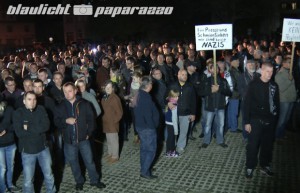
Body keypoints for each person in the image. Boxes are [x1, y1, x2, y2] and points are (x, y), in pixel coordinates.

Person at [54, 82, 106, 191]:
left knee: (90, 161)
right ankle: (79, 181)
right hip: (69, 141)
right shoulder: (60, 106)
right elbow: (56, 121)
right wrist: (65, 121)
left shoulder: (85, 104)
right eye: (65, 92)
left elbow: (92, 121)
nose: (67, 94)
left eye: (70, 91)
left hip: (84, 140)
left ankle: (95, 180)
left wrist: (89, 134)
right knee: (74, 163)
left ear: (75, 91)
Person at [13, 91, 56, 193]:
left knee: (49, 175)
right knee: (28, 180)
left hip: (43, 148)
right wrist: (38, 129)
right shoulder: (18, 113)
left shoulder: (41, 109)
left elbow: (46, 126)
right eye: (29, 99)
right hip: (27, 151)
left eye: (34, 99)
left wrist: (28, 128)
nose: (32, 102)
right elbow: (19, 133)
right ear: (24, 101)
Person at [244, 62, 280, 179]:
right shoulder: (253, 84)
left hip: (269, 121)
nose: (270, 74)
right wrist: (246, 122)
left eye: (271, 72)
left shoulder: (274, 86)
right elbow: (247, 104)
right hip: (255, 120)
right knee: (253, 146)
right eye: (267, 71)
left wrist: (275, 120)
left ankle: (265, 165)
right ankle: (250, 166)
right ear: (261, 71)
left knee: (267, 146)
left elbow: (276, 104)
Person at [199, 63, 232, 148]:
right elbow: (200, 92)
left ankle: (220, 140)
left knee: (221, 125)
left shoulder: (223, 81)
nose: (215, 70)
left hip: (220, 106)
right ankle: (206, 141)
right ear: (209, 70)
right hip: (209, 107)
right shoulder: (206, 80)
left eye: (216, 68)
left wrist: (219, 89)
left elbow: (229, 92)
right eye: (212, 68)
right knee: (207, 125)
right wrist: (211, 90)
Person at [133, 76, 159, 179]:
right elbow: (148, 115)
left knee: (144, 149)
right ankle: (144, 171)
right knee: (151, 150)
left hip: (140, 126)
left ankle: (145, 167)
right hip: (147, 128)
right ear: (148, 85)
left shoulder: (139, 94)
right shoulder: (146, 97)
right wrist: (153, 126)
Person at [168, 69, 196, 153]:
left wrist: (193, 113)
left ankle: (180, 146)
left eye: (186, 75)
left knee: (184, 131)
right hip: (174, 112)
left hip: (186, 113)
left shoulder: (190, 87)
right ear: (178, 75)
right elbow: (165, 97)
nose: (185, 76)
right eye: (183, 74)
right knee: (173, 131)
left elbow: (193, 101)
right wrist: (168, 102)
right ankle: (172, 145)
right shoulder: (172, 85)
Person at [0, 98, 20, 193]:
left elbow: (16, 123)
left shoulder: (9, 109)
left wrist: (6, 129)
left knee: (11, 166)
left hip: (10, 143)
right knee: (2, 168)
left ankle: (10, 184)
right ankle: (3, 188)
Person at [275, 57, 297, 141]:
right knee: (282, 119)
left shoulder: (289, 72)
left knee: (287, 118)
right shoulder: (279, 74)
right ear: (283, 63)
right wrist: (289, 80)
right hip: (284, 100)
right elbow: (281, 88)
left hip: (291, 99)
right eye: (289, 62)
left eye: (291, 62)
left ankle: (281, 133)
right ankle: (277, 135)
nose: (291, 64)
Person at [101, 81, 123, 164]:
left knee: (114, 140)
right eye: (106, 87)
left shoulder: (115, 98)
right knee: (109, 140)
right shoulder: (105, 97)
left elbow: (120, 113)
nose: (107, 89)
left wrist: (114, 121)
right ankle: (110, 153)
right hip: (106, 123)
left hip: (112, 123)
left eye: (109, 87)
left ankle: (115, 156)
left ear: (113, 89)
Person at [164, 90, 180, 157]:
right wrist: (176, 127)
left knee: (170, 137)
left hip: (168, 122)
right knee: (172, 138)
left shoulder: (170, 102)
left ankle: (168, 151)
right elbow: (174, 117)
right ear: (171, 97)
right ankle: (171, 151)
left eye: (177, 96)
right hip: (172, 123)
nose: (177, 98)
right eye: (175, 97)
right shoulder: (174, 105)